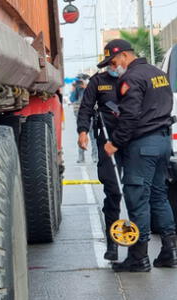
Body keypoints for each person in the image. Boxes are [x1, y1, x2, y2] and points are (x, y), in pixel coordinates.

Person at [98, 39, 177, 272]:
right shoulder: (158, 73)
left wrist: (115, 142)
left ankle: (138, 256)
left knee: (137, 198)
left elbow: (130, 115)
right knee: (158, 196)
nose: (113, 67)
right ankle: (170, 251)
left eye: (113, 62)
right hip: (163, 141)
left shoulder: (131, 78)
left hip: (142, 145)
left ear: (124, 55)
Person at [76, 68, 122, 260]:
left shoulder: (136, 76)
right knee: (113, 192)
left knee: (139, 194)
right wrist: (83, 131)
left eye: (116, 60)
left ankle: (140, 248)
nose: (114, 65)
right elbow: (86, 107)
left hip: (134, 142)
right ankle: (113, 244)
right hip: (107, 142)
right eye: (109, 62)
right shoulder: (98, 81)